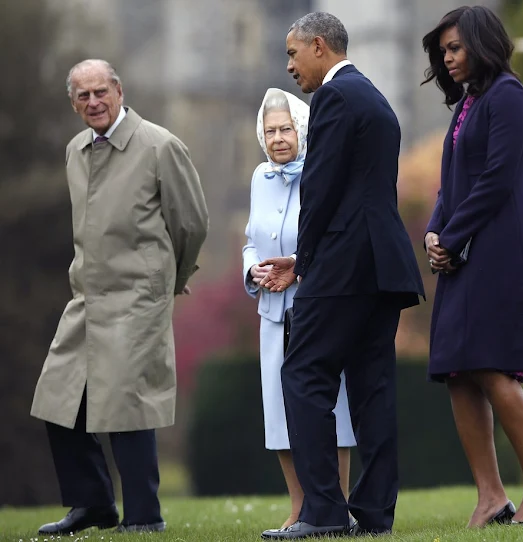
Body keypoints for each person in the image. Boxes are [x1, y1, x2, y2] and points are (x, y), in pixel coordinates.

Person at [259, 13, 425, 539]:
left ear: (319, 45)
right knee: (372, 389)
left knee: (303, 375)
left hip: (340, 268)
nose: (289, 66)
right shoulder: (374, 98)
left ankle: (323, 513)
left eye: (293, 54)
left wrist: (304, 263)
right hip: (382, 267)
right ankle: (374, 515)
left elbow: (321, 190)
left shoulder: (333, 98)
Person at [30, 59, 209, 535]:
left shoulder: (159, 145)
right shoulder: (75, 151)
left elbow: (191, 223)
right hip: (85, 299)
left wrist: (167, 280)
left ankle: (145, 516)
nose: (93, 102)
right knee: (57, 398)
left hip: (138, 299)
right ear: (74, 103)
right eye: (83, 96)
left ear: (119, 90)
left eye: (100, 92)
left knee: (129, 408)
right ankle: (93, 505)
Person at [421, 6, 523, 528]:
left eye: (455, 48)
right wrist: (436, 232)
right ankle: (490, 496)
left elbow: (499, 178)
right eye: (444, 51)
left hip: (500, 245)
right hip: (461, 247)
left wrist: (452, 238)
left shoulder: (507, 95)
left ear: (481, 43)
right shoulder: (467, 104)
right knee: (457, 369)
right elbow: (450, 183)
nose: (448, 58)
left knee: (491, 363)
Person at [242, 88, 356, 530]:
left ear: (302, 130)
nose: (278, 138)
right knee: (280, 416)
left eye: (286, 128)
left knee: (332, 409)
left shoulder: (321, 173)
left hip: (317, 306)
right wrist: (252, 271)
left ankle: (337, 507)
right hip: (272, 310)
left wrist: (301, 271)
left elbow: (331, 239)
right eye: (270, 131)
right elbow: (253, 238)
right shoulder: (258, 178)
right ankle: (299, 508)